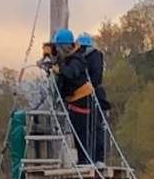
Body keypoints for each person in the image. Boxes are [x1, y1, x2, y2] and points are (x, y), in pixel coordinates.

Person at [38, 28, 103, 167]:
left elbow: (70, 73)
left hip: (83, 101)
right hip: (74, 102)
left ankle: (86, 160)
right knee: (77, 132)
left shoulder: (77, 60)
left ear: (63, 47)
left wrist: (57, 69)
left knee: (82, 132)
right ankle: (84, 160)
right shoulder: (67, 59)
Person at [78, 32, 109, 118]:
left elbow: (95, 75)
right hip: (97, 93)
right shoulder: (98, 55)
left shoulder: (88, 58)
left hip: (90, 94)